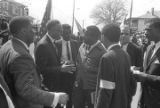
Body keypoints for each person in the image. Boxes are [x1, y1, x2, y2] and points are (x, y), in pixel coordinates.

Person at [0, 16, 68, 108]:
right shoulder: (21, 56)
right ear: (23, 31)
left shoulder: (6, 46)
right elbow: (25, 89)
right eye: (31, 28)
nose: (34, 32)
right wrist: (55, 98)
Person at [35, 20, 74, 107]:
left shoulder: (52, 42)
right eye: (58, 30)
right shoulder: (43, 45)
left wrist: (62, 63)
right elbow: (41, 69)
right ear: (49, 30)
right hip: (49, 86)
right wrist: (60, 69)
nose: (61, 33)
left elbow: (51, 62)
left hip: (55, 84)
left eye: (61, 31)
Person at [95, 24, 136, 108]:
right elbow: (131, 84)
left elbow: (105, 91)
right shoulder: (126, 54)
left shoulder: (107, 57)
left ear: (103, 36)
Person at [72, 25, 106, 108]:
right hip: (79, 85)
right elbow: (78, 62)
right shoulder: (82, 46)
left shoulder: (103, 51)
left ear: (95, 37)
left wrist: (89, 68)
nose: (83, 36)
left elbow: (104, 72)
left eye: (86, 34)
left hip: (92, 88)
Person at [132, 19, 160, 108]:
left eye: (149, 29)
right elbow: (147, 69)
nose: (145, 32)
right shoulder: (149, 48)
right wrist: (136, 69)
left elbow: (147, 75)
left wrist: (145, 77)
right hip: (144, 99)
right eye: (145, 30)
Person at [56, 24, 79, 108]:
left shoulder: (75, 43)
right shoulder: (56, 44)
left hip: (73, 73)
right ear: (61, 33)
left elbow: (77, 57)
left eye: (69, 33)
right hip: (62, 74)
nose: (68, 35)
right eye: (65, 33)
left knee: (71, 95)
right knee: (61, 94)